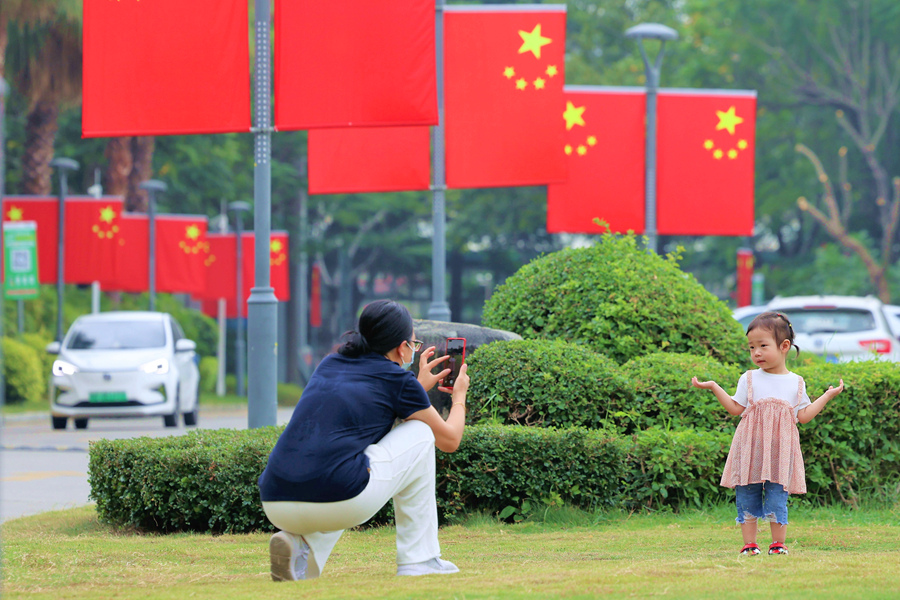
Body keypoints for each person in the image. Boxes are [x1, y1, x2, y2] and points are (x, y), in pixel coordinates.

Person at [258, 299, 470, 581]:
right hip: (340, 499)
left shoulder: (330, 363)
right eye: (414, 344)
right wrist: (459, 397)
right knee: (420, 433)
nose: (413, 350)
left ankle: (301, 547)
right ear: (401, 347)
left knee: (342, 457)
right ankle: (420, 559)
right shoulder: (397, 381)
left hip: (275, 501)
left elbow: (370, 403)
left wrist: (416, 388)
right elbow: (450, 440)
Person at [691, 311, 843, 556]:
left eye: (763, 345)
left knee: (776, 496)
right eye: (752, 347)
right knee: (747, 493)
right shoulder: (749, 378)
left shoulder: (796, 382)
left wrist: (826, 396)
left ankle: (778, 544)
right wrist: (714, 387)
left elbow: (803, 416)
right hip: (750, 448)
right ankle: (749, 544)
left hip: (780, 452)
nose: (756, 353)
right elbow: (735, 409)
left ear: (784, 346)